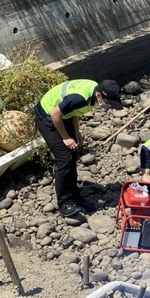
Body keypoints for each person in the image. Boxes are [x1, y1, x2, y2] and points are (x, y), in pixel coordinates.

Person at [35, 79, 123, 217]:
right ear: (100, 95)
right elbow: (55, 115)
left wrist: (76, 132)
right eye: (108, 103)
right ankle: (64, 203)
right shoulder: (80, 98)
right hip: (47, 116)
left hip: (64, 115)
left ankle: (75, 196)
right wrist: (65, 138)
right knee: (65, 159)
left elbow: (74, 112)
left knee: (72, 154)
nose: (108, 106)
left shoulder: (93, 94)